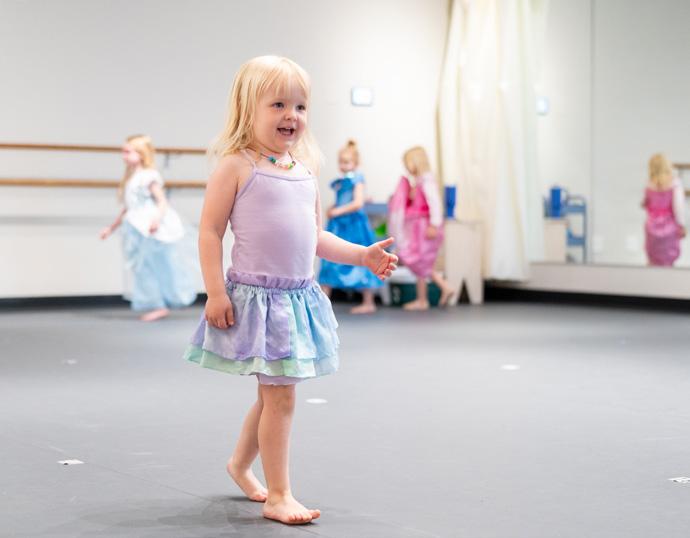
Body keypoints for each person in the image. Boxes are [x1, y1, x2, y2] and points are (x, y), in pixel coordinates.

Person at [183, 56, 397, 525]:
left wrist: (362, 255)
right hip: (259, 301)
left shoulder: (304, 170)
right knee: (280, 397)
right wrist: (214, 292)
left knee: (271, 396)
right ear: (248, 108)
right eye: (278, 104)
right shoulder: (236, 167)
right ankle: (279, 494)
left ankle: (240, 464)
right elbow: (210, 232)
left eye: (300, 106)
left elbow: (315, 236)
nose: (291, 116)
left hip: (296, 301)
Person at [100, 134, 197, 321]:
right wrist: (111, 228)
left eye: (128, 152)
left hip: (147, 227)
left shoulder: (148, 176)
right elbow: (127, 208)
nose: (123, 156)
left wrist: (156, 220)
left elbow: (162, 201)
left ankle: (160, 303)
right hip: (134, 228)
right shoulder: (131, 178)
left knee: (151, 265)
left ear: (141, 154)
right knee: (140, 266)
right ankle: (156, 303)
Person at [319, 139, 383, 314]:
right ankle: (323, 301)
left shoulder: (357, 179)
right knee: (329, 258)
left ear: (355, 163)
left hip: (354, 226)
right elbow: (342, 200)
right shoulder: (341, 181)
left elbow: (357, 203)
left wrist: (337, 211)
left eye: (347, 162)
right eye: (341, 162)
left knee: (362, 257)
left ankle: (368, 301)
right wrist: (333, 208)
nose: (343, 165)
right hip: (339, 226)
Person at [388, 146, 455, 310]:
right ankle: (440, 289)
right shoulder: (419, 182)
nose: (406, 167)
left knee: (419, 261)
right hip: (419, 228)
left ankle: (423, 299)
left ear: (416, 162)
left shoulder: (426, 181)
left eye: (407, 163)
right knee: (421, 263)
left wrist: (434, 224)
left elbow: (435, 204)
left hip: (424, 228)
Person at [643, 153, 686, 266]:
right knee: (668, 261)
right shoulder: (674, 183)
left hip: (652, 226)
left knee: (652, 261)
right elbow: (679, 208)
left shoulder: (649, 184)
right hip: (669, 227)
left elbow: (646, 204)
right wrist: (682, 226)